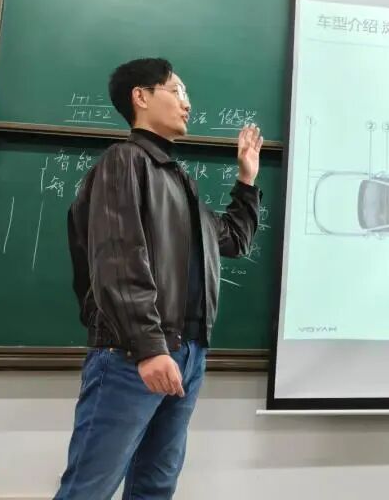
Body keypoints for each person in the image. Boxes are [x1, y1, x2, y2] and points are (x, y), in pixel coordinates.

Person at [54, 58, 263, 499]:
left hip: (185, 354)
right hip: (134, 354)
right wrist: (148, 347)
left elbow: (231, 239)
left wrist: (247, 181)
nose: (188, 103)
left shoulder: (177, 179)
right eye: (177, 91)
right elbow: (118, 259)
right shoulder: (124, 162)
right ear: (141, 97)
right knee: (89, 488)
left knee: (156, 485)